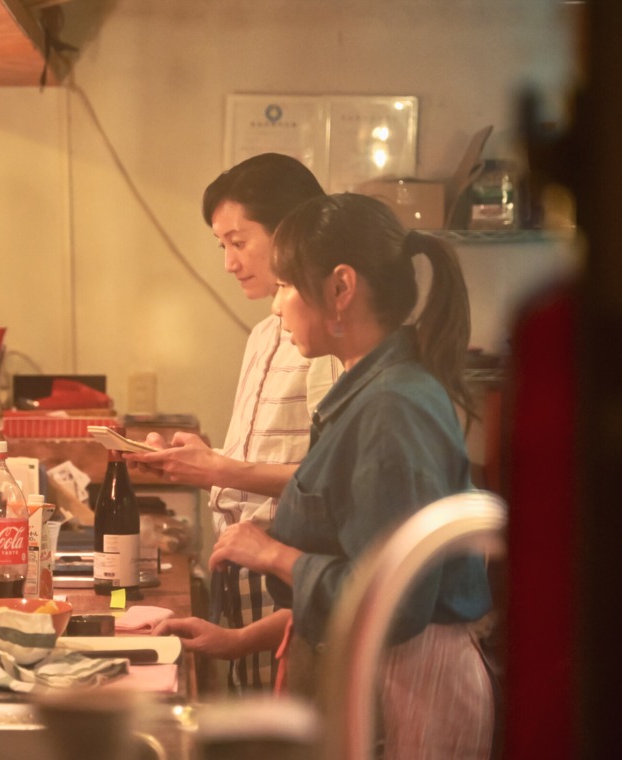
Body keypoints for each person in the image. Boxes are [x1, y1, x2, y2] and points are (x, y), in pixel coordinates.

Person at [152, 193, 494, 759]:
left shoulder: (391, 408)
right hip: (375, 673)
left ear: (340, 288)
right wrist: (239, 642)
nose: (277, 306)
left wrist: (271, 554)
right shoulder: (369, 391)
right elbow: (354, 561)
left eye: (286, 285)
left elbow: (395, 601)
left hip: (406, 690)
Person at [126, 153, 334, 692]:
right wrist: (203, 461)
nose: (228, 262)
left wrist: (220, 468)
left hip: (287, 572)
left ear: (291, 233)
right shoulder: (265, 333)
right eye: (222, 246)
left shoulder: (329, 341)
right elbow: (257, 458)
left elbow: (329, 480)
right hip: (243, 566)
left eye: (239, 243)